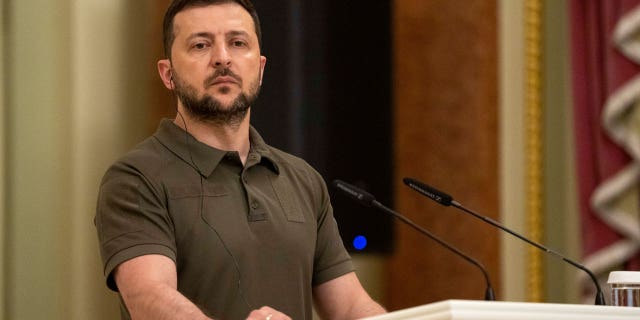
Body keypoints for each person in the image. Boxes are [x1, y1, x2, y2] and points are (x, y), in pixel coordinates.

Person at [94, 0, 386, 319]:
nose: (222, 58)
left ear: (260, 69)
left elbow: (351, 307)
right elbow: (151, 300)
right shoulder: (135, 178)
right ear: (168, 74)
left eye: (237, 43)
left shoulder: (302, 178)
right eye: (201, 45)